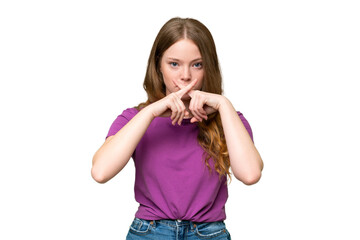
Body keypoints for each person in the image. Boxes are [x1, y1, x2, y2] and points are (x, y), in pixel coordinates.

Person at [91, 17, 263, 240]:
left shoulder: (229, 120)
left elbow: (250, 174)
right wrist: (151, 112)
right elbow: (100, 172)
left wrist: (223, 104)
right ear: (158, 66)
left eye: (197, 64)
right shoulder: (135, 118)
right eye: (174, 64)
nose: (185, 76)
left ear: (208, 67)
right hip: (149, 232)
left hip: (209, 233)